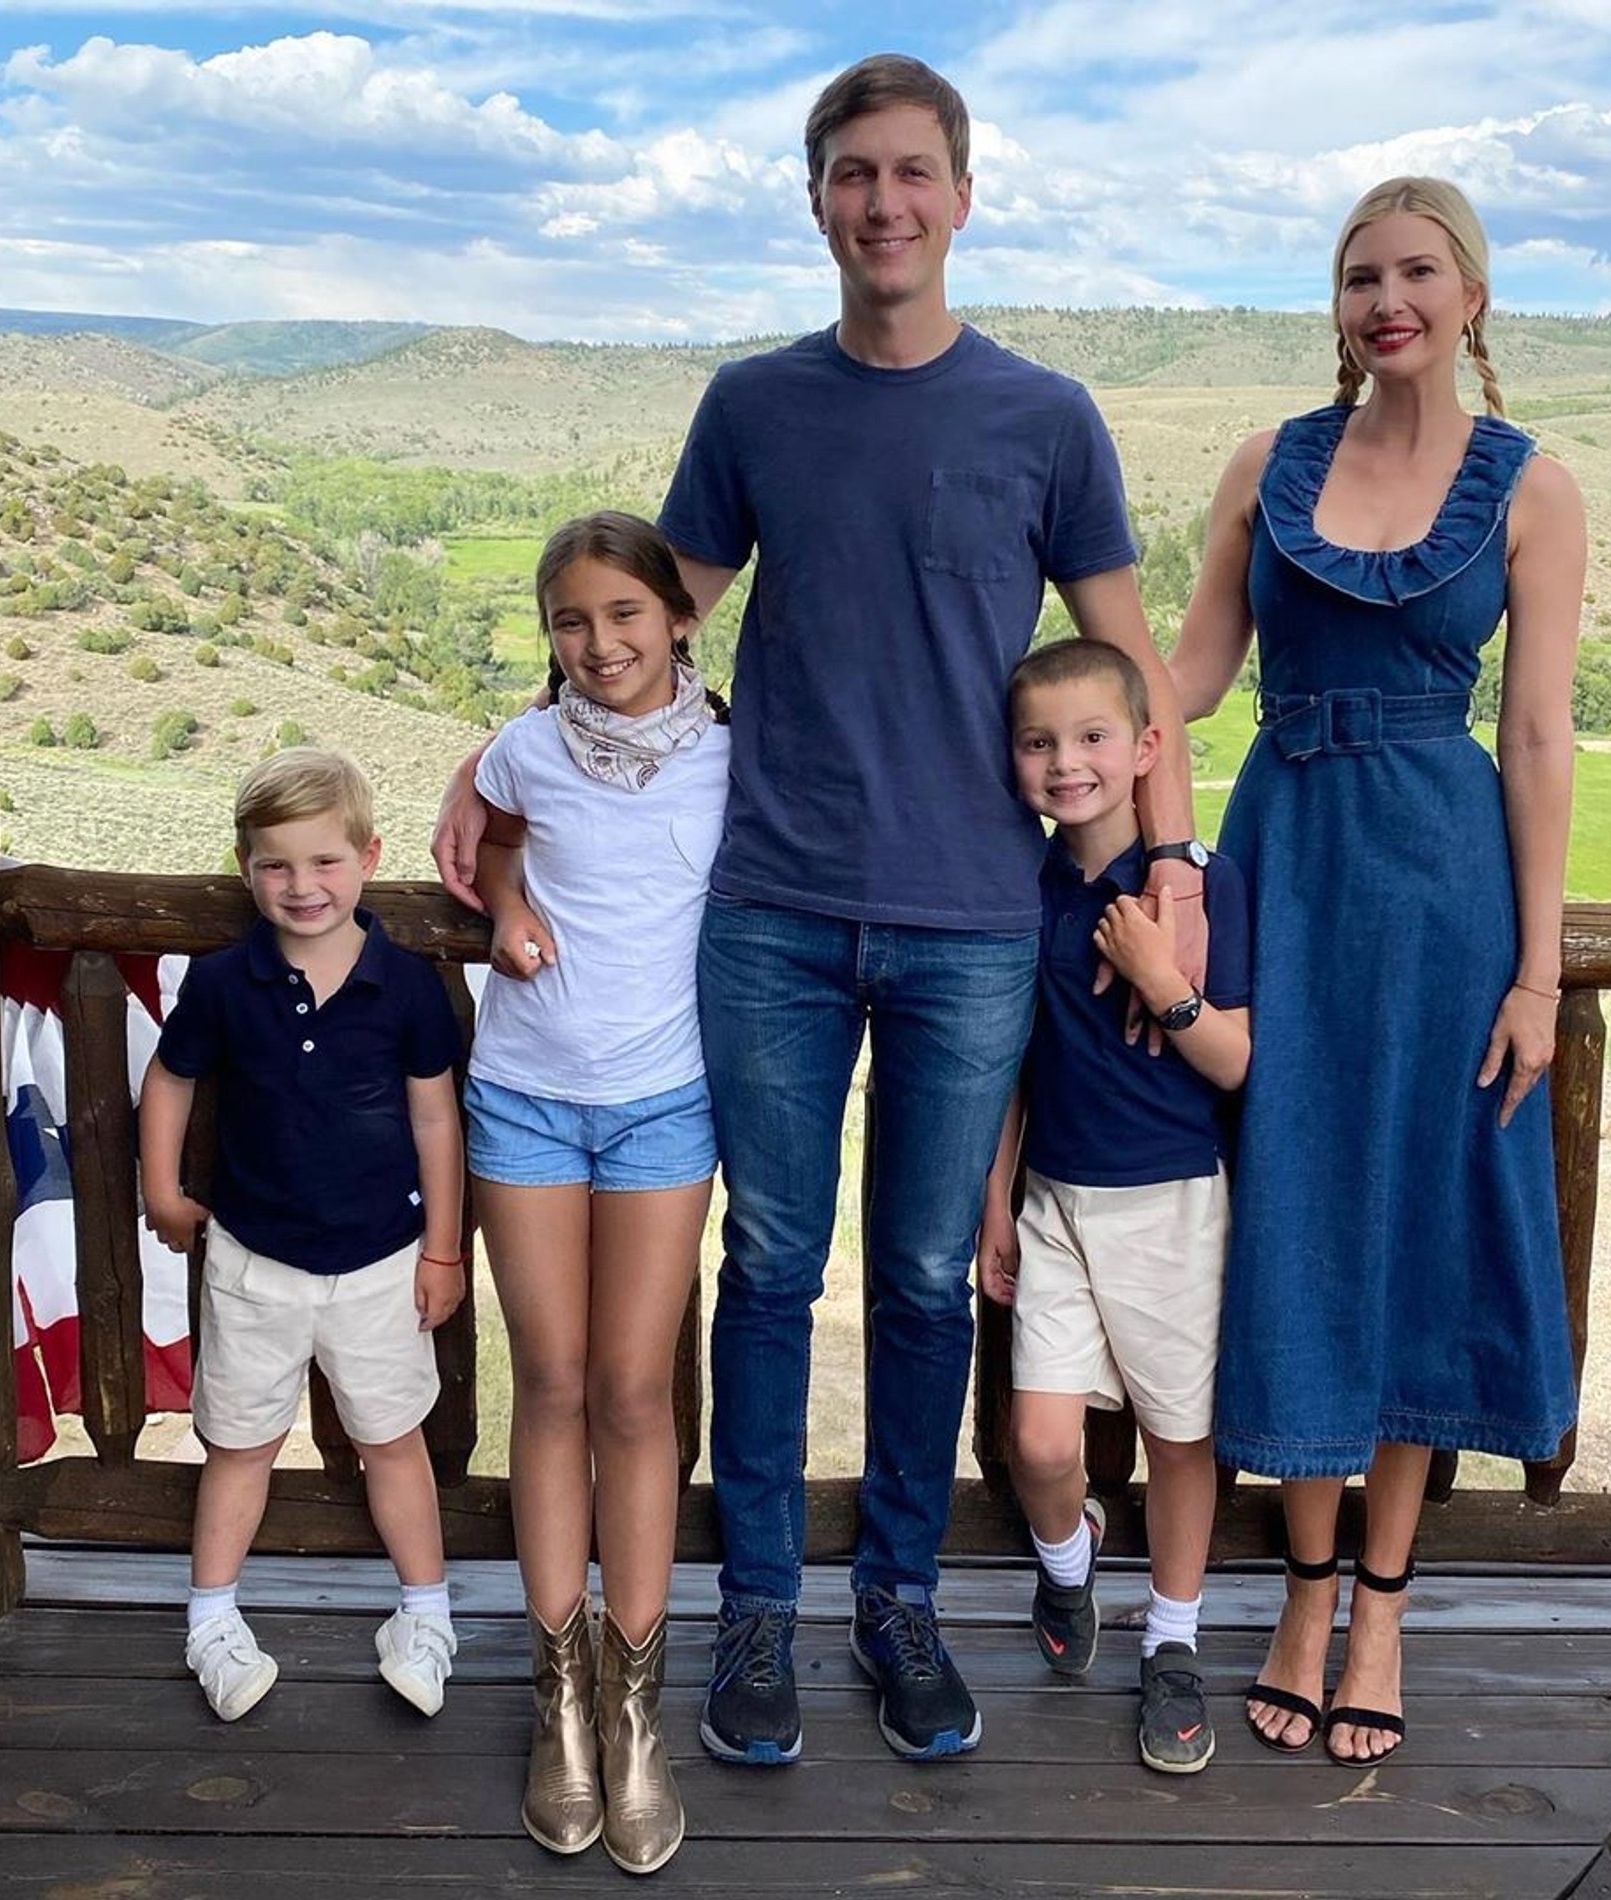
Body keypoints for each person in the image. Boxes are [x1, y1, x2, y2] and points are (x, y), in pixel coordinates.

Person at [433, 53, 1204, 1767]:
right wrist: (499, 771)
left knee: (927, 1279)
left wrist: (1172, 863)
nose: (885, 203)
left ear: (963, 196)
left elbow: (1130, 659)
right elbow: (644, 630)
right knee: (773, 1267)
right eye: (856, 174)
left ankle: (901, 1604)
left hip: (972, 918)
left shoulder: (1047, 418)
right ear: (816, 200)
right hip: (772, 910)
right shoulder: (754, 407)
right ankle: (761, 1618)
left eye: (914, 172)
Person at [1168, 176, 1584, 1765]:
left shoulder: (1535, 488)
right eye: (1361, 277)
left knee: (1414, 1228)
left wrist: (1538, 974)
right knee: (1299, 1210)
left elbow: (1535, 738)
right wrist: (1034, 689)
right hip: (1286, 868)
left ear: (1471, 295)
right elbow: (1192, 679)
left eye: (1416, 272)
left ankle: (1384, 1608)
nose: (1386, 300)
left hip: (1443, 891)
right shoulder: (1264, 463)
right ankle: (1303, 1593)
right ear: (1336, 306)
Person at [465, 512, 728, 1873]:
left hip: (665, 1106)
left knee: (633, 1391)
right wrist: (504, 904)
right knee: (552, 1382)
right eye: (571, 620)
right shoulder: (524, 747)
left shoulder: (735, 757)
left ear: (680, 616)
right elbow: (495, 836)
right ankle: (559, 1701)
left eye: (624, 613)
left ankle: (635, 1708)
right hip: (522, 1097)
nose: (599, 641)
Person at [139, 749, 465, 1725]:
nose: (301, 884)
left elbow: (436, 1119)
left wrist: (443, 1249)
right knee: (240, 1446)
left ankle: (425, 1616)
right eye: (276, 864)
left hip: (383, 1263)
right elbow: (170, 1079)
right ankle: (211, 1622)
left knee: (393, 1440)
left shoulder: (405, 985)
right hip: (252, 1261)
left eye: (325, 861)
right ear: (246, 869)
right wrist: (162, 1188)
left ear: (369, 857)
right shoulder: (223, 982)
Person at [977, 639, 1251, 1775]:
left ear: (1145, 748)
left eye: (1092, 737)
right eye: (1038, 742)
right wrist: (996, 1200)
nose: (1066, 763)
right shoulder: (1025, 884)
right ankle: (1067, 1559)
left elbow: (1234, 1061)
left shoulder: (1200, 885)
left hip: (1174, 1201)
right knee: (1040, 1442)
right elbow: (1012, 1066)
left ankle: (1173, 1639)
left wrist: (1160, 980)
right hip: (1054, 1198)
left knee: (1179, 1436)